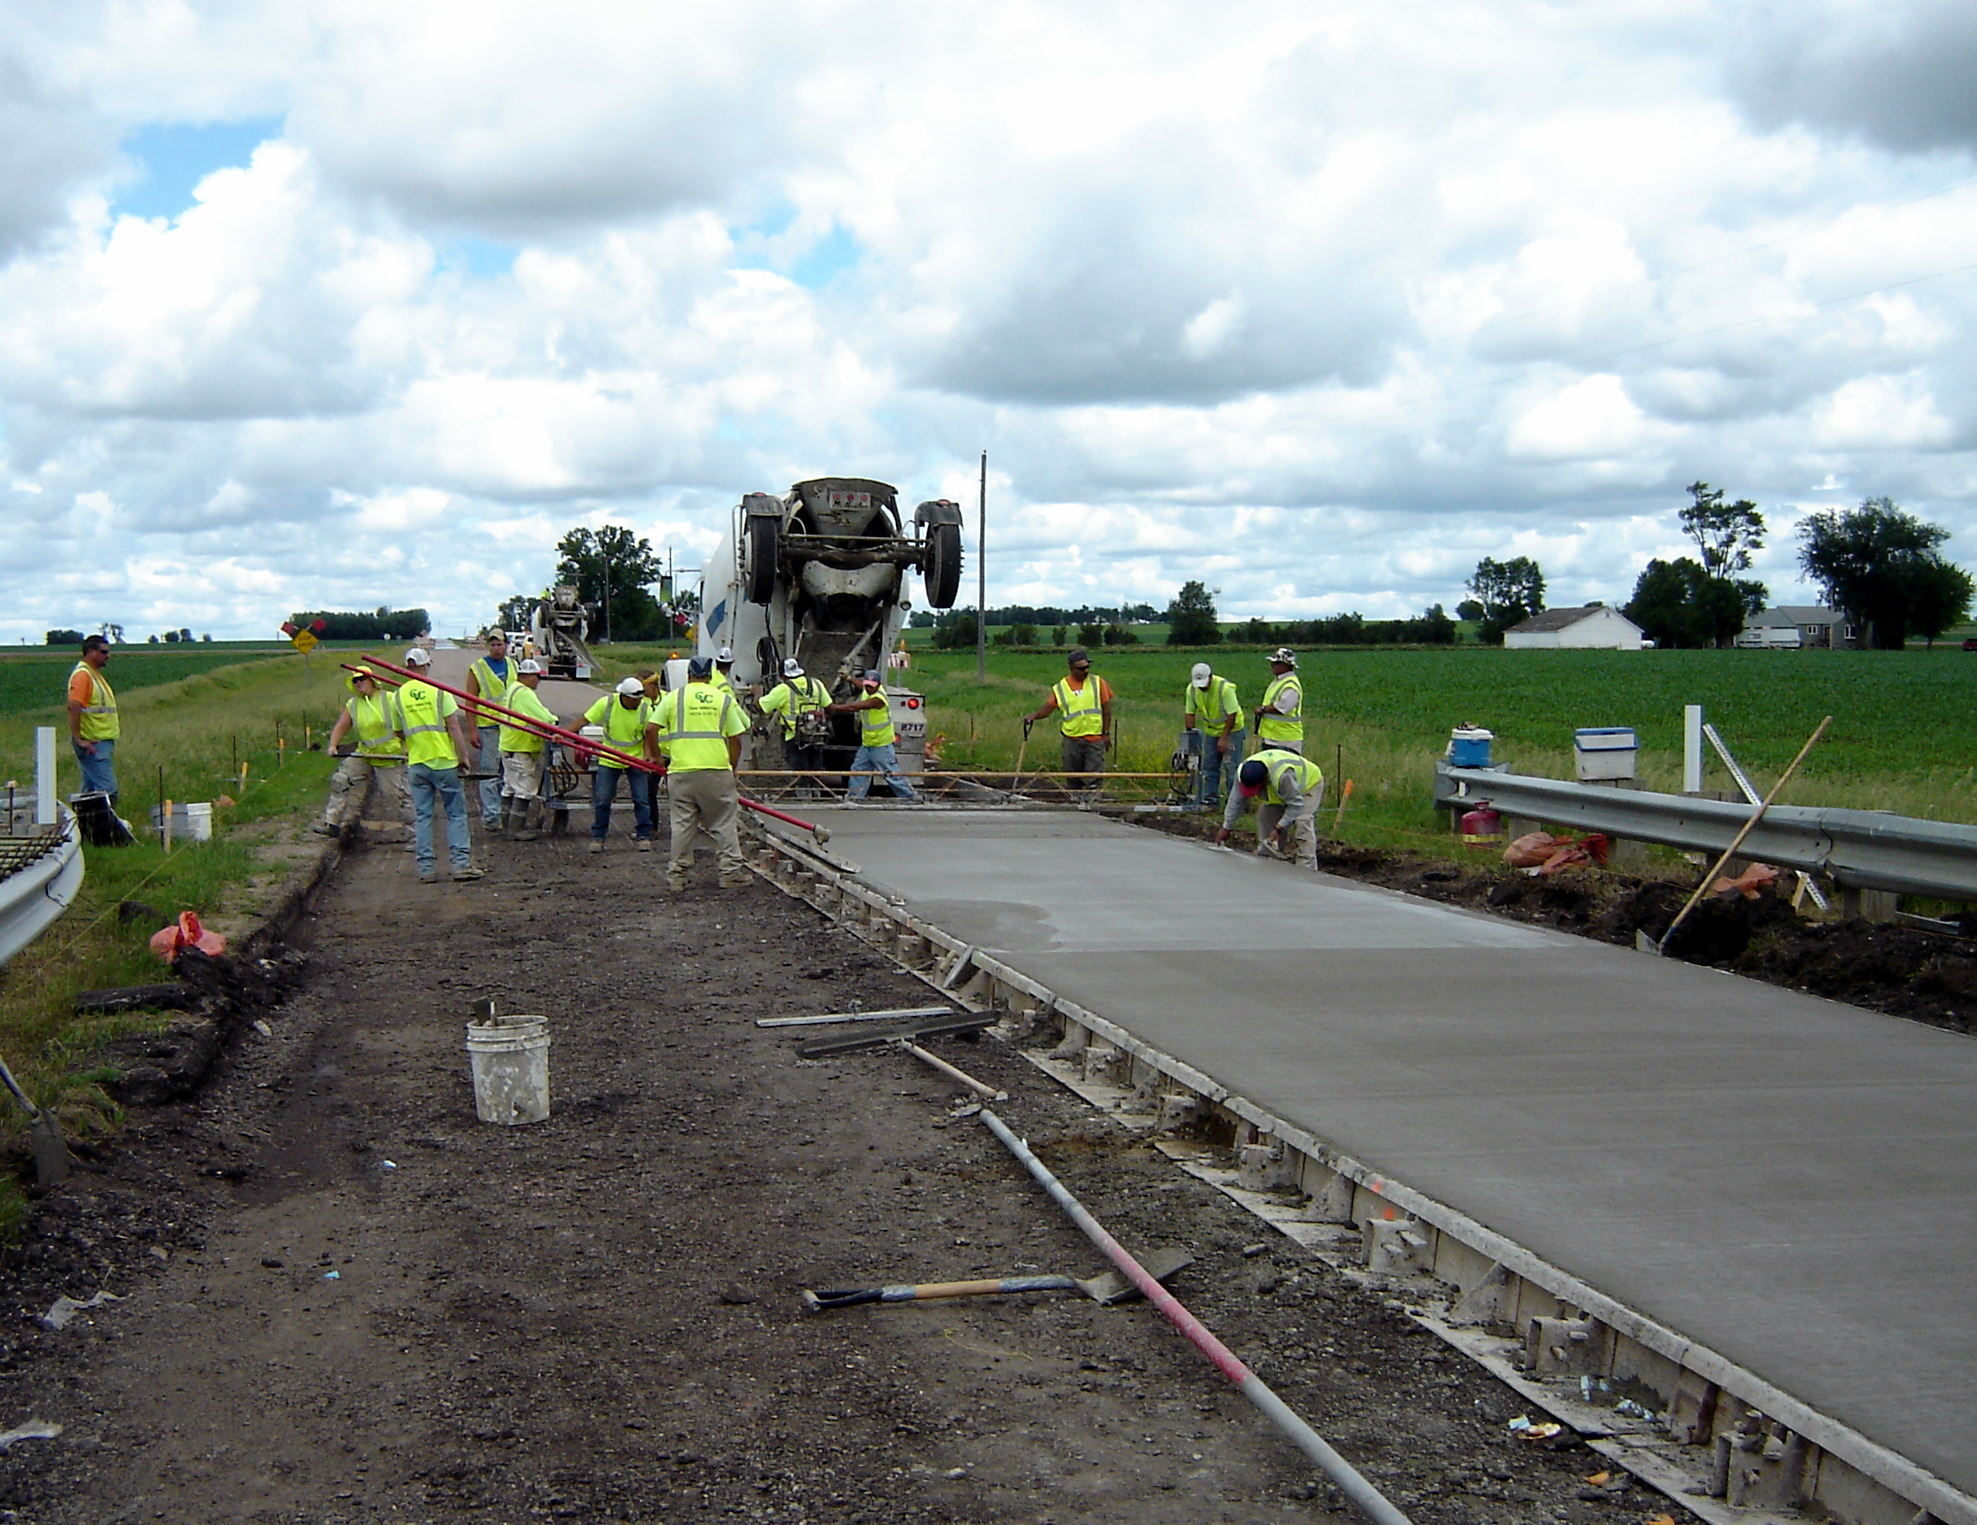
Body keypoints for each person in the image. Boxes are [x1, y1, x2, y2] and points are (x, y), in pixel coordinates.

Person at [650, 655, 750, 890]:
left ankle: (677, 876)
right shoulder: (722, 699)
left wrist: (656, 756)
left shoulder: (675, 697)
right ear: (710, 675)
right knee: (723, 823)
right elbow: (736, 737)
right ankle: (730, 873)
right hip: (716, 770)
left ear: (689, 675)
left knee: (683, 825)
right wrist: (732, 766)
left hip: (681, 770)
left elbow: (651, 727)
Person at [395, 648, 482, 883]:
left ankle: (426, 870)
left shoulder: (398, 696)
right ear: (426, 666)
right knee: (455, 814)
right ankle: (461, 865)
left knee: (423, 816)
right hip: (443, 762)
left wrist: (413, 745)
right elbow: (454, 727)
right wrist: (463, 757)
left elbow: (397, 730)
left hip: (418, 763)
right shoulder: (439, 693)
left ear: (407, 668)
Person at [312, 668, 410, 837]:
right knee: (340, 779)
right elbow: (342, 726)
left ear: (372, 680)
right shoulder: (354, 704)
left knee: (396, 797)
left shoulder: (390, 699)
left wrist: (408, 746)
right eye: (355, 681)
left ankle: (416, 834)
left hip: (389, 756)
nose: (359, 683)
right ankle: (332, 824)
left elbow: (407, 725)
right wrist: (333, 745)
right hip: (364, 753)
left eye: (362, 679)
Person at [1216, 749, 1326, 869]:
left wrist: (1278, 828)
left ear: (1264, 780)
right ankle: (1268, 858)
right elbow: (1236, 801)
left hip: (1308, 786)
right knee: (1265, 816)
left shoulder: (1283, 776)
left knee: (1303, 821)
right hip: (1280, 791)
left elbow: (1296, 806)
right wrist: (1227, 827)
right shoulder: (1243, 771)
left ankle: (1306, 867)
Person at [581, 677, 656, 852]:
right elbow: (584, 720)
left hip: (635, 759)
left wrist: (646, 758)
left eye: (639, 699)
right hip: (610, 758)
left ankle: (643, 835)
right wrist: (562, 734)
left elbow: (649, 736)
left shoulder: (645, 709)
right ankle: (598, 837)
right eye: (634, 699)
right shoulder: (607, 703)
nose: (638, 702)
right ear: (625, 696)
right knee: (603, 799)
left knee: (641, 799)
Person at [1025, 646, 1111, 796]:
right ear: (1072, 668)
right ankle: (1075, 804)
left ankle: (1093, 806)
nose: (1085, 671)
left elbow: (1107, 709)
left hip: (1095, 738)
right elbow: (1048, 708)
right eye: (1081, 668)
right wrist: (1034, 716)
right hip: (1072, 740)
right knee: (1073, 777)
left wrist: (1106, 733)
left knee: (1094, 777)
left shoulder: (1098, 683)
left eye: (1087, 667)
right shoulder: (1060, 688)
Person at [827, 671, 919, 801]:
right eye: (867, 684)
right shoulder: (866, 689)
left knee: (890, 773)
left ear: (878, 685)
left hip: (881, 744)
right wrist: (848, 678)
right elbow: (860, 685)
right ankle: (854, 798)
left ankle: (911, 797)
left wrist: (835, 707)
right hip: (868, 743)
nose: (868, 688)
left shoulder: (878, 699)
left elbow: (855, 706)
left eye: (871, 685)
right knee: (858, 770)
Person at [497, 658, 558, 841]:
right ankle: (515, 829)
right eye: (537, 677)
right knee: (525, 788)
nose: (538, 681)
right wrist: (555, 723)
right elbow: (543, 717)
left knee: (510, 786)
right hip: (519, 747)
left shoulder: (512, 689)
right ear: (529, 676)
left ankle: (506, 823)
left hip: (509, 745)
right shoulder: (524, 693)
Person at [758, 657, 832, 793]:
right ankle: (816, 793)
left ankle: (803, 794)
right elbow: (829, 706)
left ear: (782, 675)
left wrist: (755, 695)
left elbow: (762, 706)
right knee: (814, 766)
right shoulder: (817, 684)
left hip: (793, 736)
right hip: (816, 735)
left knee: (799, 767)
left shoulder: (783, 689)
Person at [465, 631, 513, 832]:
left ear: (506, 645)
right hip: (488, 727)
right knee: (489, 774)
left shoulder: (513, 665)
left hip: (510, 727)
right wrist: (472, 729)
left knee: (509, 772)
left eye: (500, 644)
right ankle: (491, 816)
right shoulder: (478, 668)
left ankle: (506, 812)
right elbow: (470, 701)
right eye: (493, 645)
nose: (496, 648)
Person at [1182, 661, 1244, 809]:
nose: (1202, 687)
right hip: (1211, 731)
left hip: (1232, 731)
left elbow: (1232, 714)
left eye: (1204, 683)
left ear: (1210, 677)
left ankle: (1234, 802)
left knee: (1231, 767)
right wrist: (1190, 738)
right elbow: (1190, 713)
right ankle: (1210, 799)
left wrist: (1224, 738)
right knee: (1209, 767)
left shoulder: (1224, 688)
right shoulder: (1191, 690)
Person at [66, 635, 119, 807]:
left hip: (99, 741)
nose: (107, 656)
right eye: (103, 652)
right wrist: (79, 738)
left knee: (89, 794)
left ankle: (81, 830)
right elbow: (74, 705)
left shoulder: (93, 675)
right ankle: (104, 831)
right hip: (93, 743)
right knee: (107, 791)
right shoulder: (83, 675)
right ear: (90, 652)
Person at [1254, 647, 1304, 755]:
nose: (1272, 666)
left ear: (1285, 665)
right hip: (1272, 737)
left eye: (1275, 663)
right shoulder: (1279, 681)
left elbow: (1281, 708)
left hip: (1286, 739)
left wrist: (1262, 709)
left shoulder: (1291, 685)